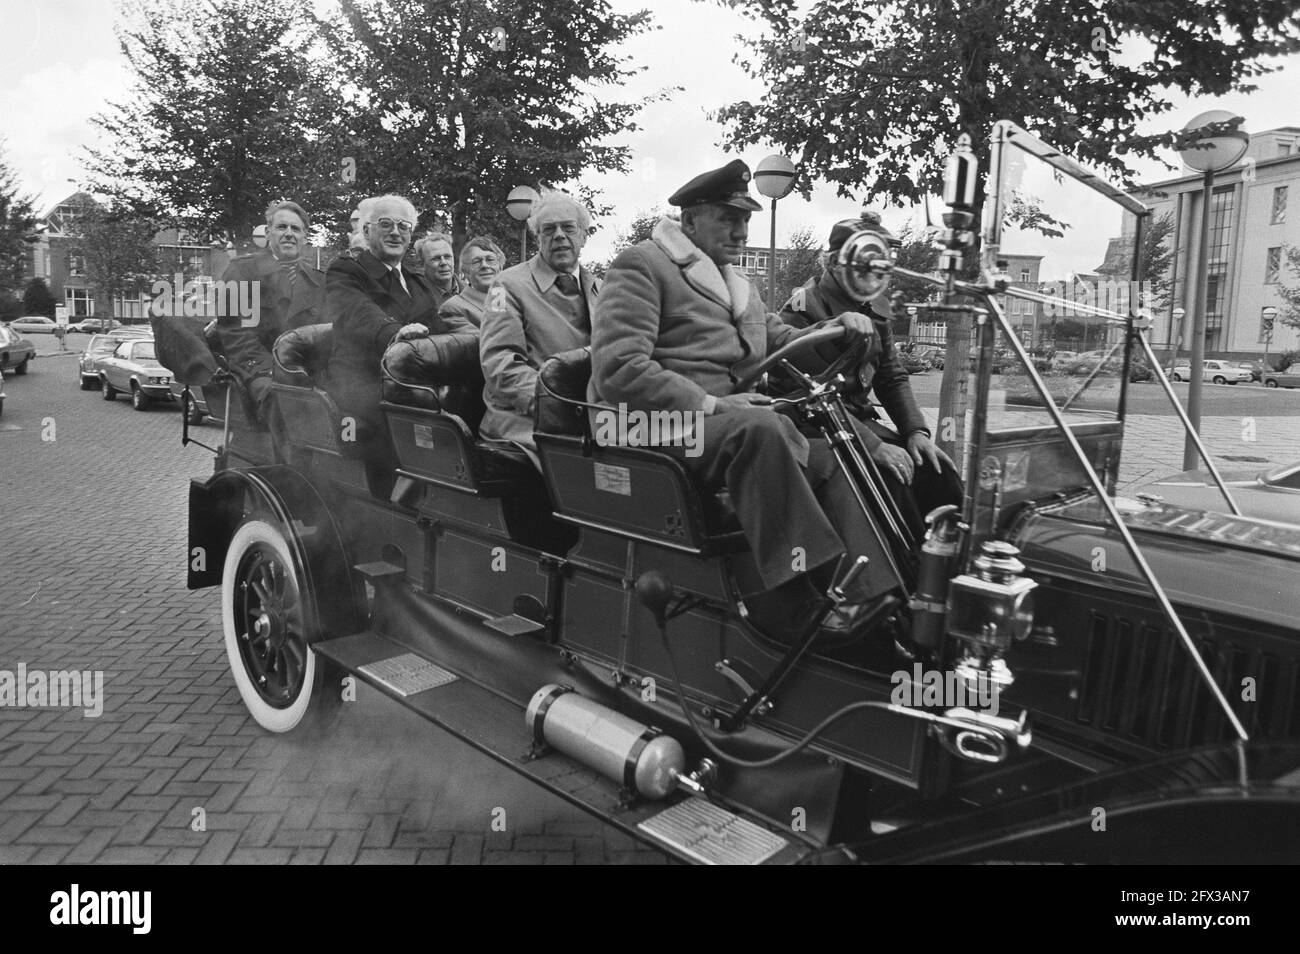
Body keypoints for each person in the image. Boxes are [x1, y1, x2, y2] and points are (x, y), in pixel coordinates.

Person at [590, 159, 899, 639]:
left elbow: (780, 337)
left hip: (717, 429)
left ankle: (870, 596)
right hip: (639, 426)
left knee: (831, 452)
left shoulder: (738, 285)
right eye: (728, 219)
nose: (741, 232)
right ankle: (796, 607)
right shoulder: (642, 265)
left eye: (746, 221)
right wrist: (715, 407)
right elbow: (618, 370)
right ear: (689, 221)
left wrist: (838, 326)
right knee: (763, 429)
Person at [778, 215, 962, 540]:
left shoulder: (873, 309)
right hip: (816, 430)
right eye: (866, 261)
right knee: (891, 478)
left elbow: (891, 376)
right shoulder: (803, 310)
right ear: (835, 261)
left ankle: (950, 568)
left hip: (859, 427)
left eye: (882, 263)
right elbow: (812, 396)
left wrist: (916, 432)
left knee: (939, 471)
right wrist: (874, 445)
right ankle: (912, 577)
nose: (877, 273)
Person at [327, 194, 448, 460]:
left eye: (404, 226)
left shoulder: (418, 281)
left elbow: (439, 326)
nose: (396, 232)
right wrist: (396, 334)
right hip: (362, 381)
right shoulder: (346, 270)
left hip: (414, 378)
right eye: (386, 224)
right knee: (414, 416)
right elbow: (359, 312)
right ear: (367, 230)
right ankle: (397, 491)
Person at [479, 192, 598, 456]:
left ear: (584, 236)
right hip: (532, 417)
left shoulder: (602, 288)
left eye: (568, 227)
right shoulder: (506, 286)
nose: (559, 235)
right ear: (538, 238)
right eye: (548, 230)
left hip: (595, 408)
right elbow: (500, 363)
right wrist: (557, 405)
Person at [213, 200, 325, 420]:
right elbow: (236, 333)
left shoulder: (319, 281)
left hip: (307, 370)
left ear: (304, 236)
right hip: (260, 368)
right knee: (282, 400)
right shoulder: (242, 271)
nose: (289, 234)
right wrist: (272, 370)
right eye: (282, 227)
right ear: (268, 232)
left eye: (296, 229)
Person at [438, 236, 505, 333]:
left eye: (490, 260)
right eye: (476, 262)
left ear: (500, 267)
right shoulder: (452, 309)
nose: (484, 265)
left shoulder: (515, 299)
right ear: (465, 271)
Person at [418, 232, 462, 311]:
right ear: (422, 264)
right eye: (436, 258)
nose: (444, 263)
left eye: (447, 257)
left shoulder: (473, 295)